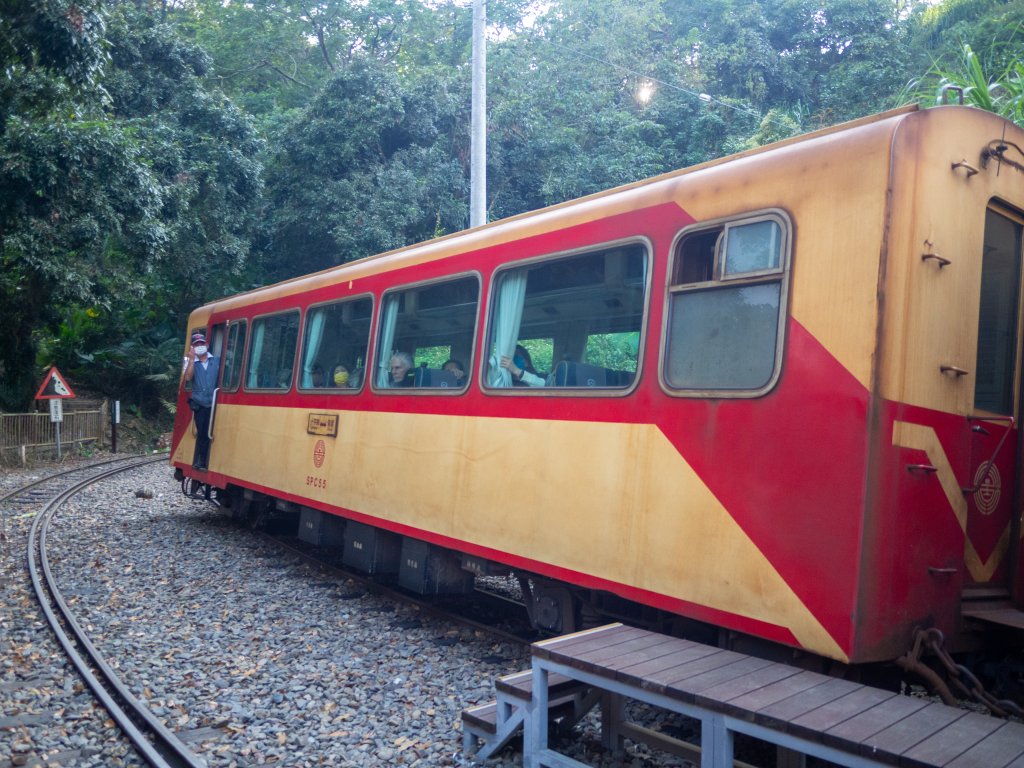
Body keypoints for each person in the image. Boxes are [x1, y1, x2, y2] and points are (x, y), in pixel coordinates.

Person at [183, 332, 219, 470]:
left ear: (207, 345)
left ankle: (209, 461)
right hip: (200, 404)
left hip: (215, 403)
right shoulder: (189, 362)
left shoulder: (216, 360)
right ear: (192, 348)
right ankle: (201, 461)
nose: (199, 346)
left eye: (201, 344)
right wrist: (192, 360)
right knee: (202, 433)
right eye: (196, 344)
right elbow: (187, 378)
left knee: (213, 433)